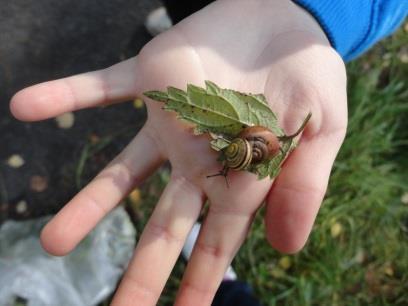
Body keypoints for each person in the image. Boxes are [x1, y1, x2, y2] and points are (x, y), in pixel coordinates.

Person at [9, 0, 407, 305]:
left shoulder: (246, 142)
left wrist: (311, 15)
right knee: (190, 10)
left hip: (276, 22)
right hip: (213, 24)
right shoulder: (245, 143)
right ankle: (180, 16)